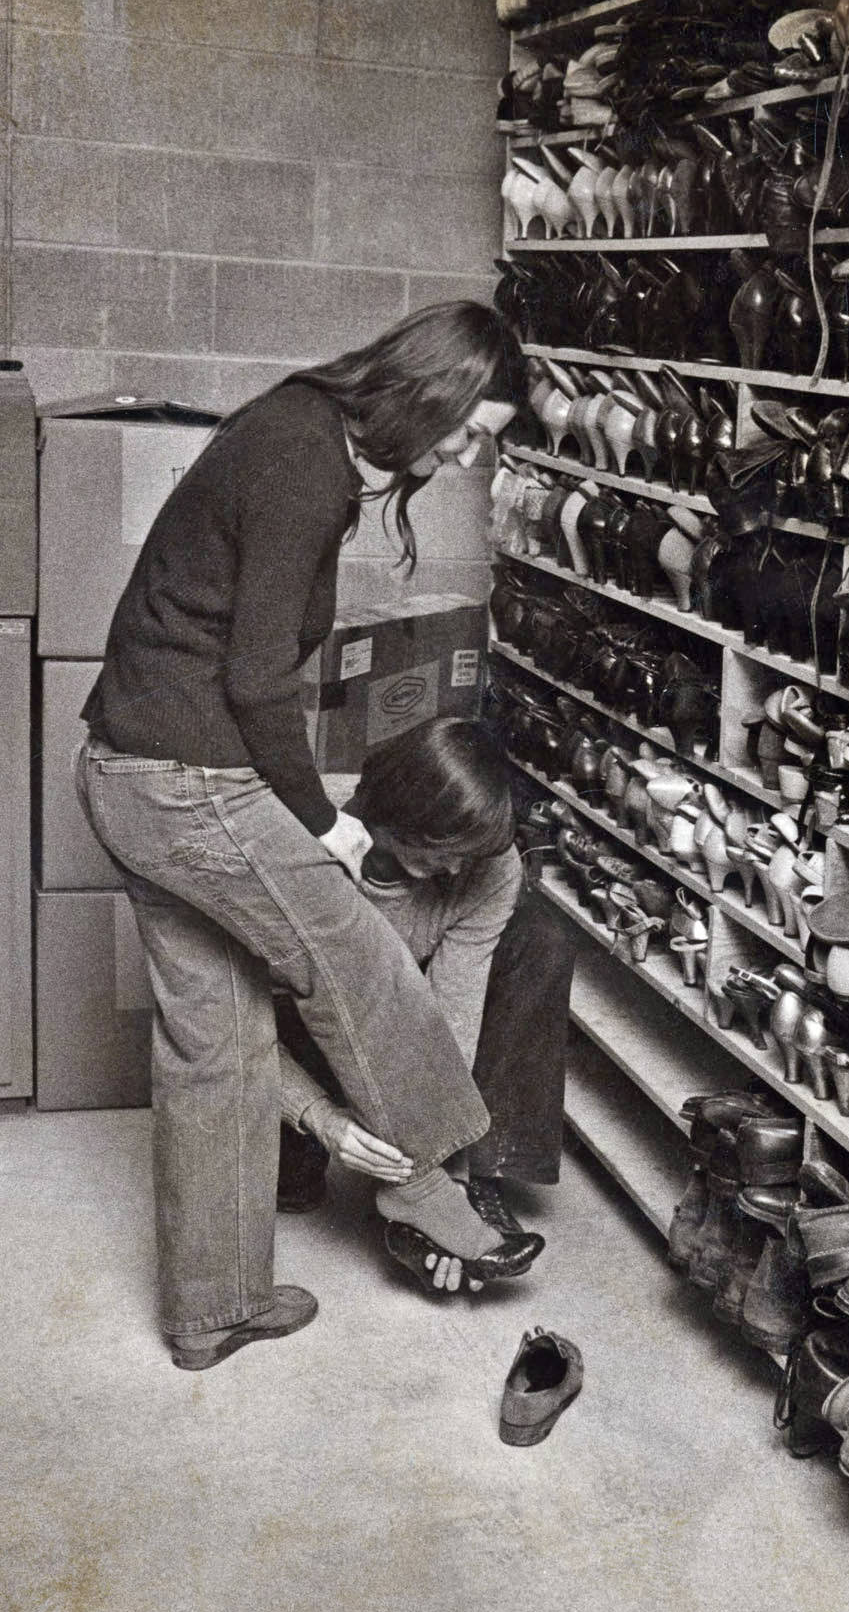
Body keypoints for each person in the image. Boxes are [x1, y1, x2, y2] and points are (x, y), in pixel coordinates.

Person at [76, 301, 537, 1372]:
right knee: (359, 959)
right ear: (431, 388)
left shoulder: (296, 432)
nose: (469, 455)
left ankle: (212, 1310)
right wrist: (320, 820)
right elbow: (254, 679)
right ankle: (432, 1191)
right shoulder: (302, 459)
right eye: (470, 429)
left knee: (215, 1045)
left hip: (128, 768)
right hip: (185, 777)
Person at [273, 716, 575, 1288]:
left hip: (405, 1020)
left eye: (470, 854)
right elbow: (236, 1024)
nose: (459, 869)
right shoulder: (298, 843)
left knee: (539, 940)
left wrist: (444, 1170)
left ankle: (464, 1179)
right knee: (288, 1181)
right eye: (448, 850)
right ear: (403, 811)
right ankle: (364, 1164)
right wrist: (322, 1119)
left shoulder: (487, 861)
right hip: (304, 1023)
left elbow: (451, 1015)